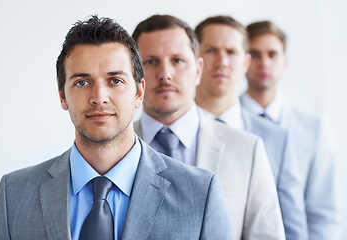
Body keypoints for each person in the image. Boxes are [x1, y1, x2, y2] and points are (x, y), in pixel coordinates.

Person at [0, 15, 234, 240]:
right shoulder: (15, 195)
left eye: (115, 80)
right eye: (82, 82)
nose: (99, 97)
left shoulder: (201, 194)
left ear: (139, 92)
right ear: (62, 96)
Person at [132, 14, 285, 240]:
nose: (165, 74)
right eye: (151, 62)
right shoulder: (114, 149)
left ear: (198, 69)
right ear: (134, 73)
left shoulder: (246, 149)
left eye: (177, 60)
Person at [194, 16, 307, 239]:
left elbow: (292, 227)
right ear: (195, 58)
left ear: (245, 63)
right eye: (211, 50)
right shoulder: (168, 133)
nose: (222, 62)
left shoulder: (276, 139)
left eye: (231, 52)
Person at [241, 20, 340, 240]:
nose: (264, 62)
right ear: (243, 61)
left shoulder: (314, 129)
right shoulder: (221, 123)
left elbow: (323, 214)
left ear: (285, 62)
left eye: (272, 54)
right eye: (254, 54)